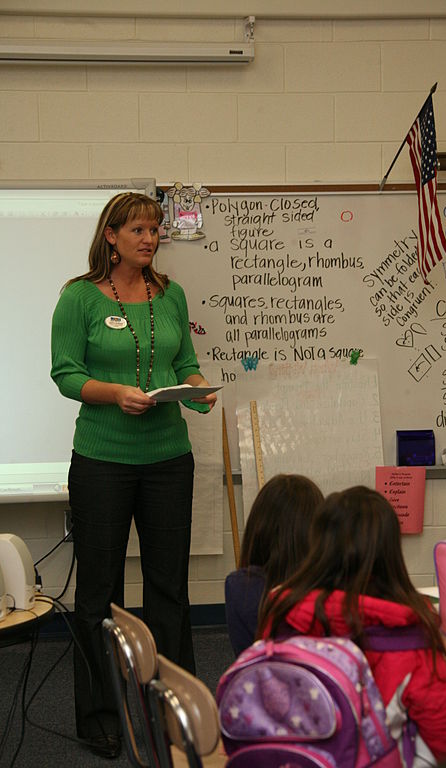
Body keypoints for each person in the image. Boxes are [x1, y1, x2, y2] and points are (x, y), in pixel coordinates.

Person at [51, 192, 217, 759]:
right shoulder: (79, 298)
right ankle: (99, 713)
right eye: (139, 229)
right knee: (99, 593)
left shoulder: (170, 295)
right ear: (111, 237)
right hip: (102, 461)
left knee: (169, 589)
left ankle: (174, 707)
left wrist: (197, 390)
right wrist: (116, 394)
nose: (150, 238)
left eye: (155, 229)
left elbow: (183, 361)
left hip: (169, 459)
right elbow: (66, 374)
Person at [258, 486, 446, 764]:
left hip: (290, 756)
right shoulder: (410, 627)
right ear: (390, 550)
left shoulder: (282, 609)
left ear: (318, 543)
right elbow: (445, 734)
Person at [224, 473, 323, 657]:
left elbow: (245, 656)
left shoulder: (238, 586)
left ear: (258, 526)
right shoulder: (330, 590)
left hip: (259, 681)